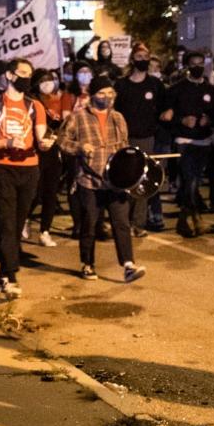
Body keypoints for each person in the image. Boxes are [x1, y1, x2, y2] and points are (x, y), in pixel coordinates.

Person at [0, 58, 53, 299]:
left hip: (30, 170)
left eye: (30, 74)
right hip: (2, 169)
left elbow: (42, 138)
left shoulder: (35, 106)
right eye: (22, 73)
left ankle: (3, 275)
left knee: (17, 226)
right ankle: (12, 276)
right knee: (7, 224)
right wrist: (6, 142)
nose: (27, 78)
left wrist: (46, 143)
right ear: (10, 75)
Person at [59, 77, 146, 283]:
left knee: (121, 223)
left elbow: (124, 146)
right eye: (101, 93)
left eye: (109, 93)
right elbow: (62, 140)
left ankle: (128, 265)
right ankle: (87, 263)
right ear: (91, 95)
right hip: (89, 179)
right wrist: (79, 147)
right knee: (89, 223)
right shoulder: (78, 117)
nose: (106, 97)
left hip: (115, 180)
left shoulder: (118, 118)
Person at [161, 51, 214, 238]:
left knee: (194, 181)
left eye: (201, 63)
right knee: (190, 180)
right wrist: (182, 120)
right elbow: (165, 117)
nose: (198, 67)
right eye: (194, 63)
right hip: (184, 141)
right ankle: (196, 217)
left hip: (203, 141)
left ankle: (184, 218)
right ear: (187, 66)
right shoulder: (176, 90)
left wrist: (208, 120)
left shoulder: (211, 90)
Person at [113, 44, 164, 236]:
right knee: (125, 180)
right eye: (139, 56)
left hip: (147, 138)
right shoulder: (122, 85)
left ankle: (138, 223)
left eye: (146, 56)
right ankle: (122, 221)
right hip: (125, 139)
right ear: (133, 59)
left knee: (143, 180)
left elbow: (164, 107)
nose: (143, 59)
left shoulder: (155, 85)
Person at [33, 70, 64, 247]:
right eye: (43, 80)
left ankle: (45, 231)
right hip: (37, 152)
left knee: (51, 193)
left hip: (53, 151)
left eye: (50, 80)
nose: (48, 83)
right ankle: (25, 221)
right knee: (35, 194)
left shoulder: (58, 100)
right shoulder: (33, 102)